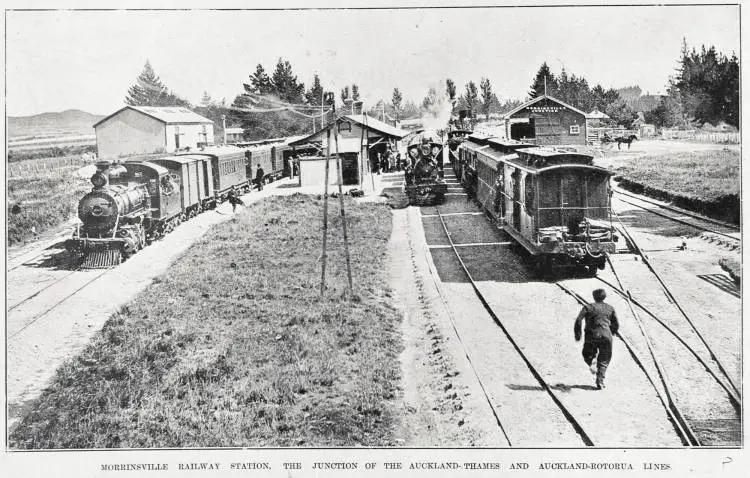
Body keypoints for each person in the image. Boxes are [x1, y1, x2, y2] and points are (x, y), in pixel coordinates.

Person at [574, 288, 619, 390]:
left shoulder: (588, 307)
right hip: (606, 335)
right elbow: (616, 324)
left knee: (587, 354)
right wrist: (612, 332)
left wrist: (578, 334)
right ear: (604, 297)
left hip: (591, 335)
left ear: (594, 297)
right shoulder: (610, 308)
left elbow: (578, 320)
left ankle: (592, 362)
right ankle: (600, 381)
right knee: (604, 358)